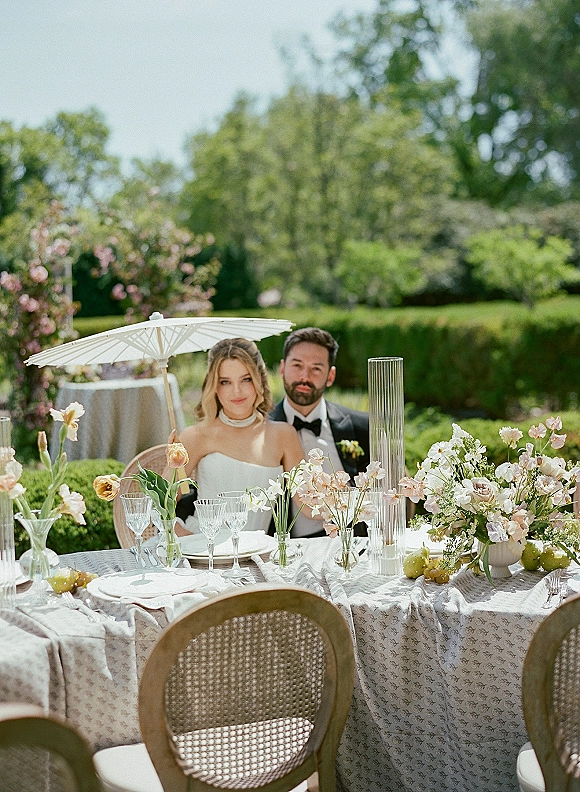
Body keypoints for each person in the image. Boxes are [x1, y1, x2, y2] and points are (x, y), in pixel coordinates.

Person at [176, 337, 306, 533]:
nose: (236, 391)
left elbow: (311, 505)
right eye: (225, 382)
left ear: (259, 379)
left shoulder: (283, 435)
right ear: (214, 386)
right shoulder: (195, 436)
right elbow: (159, 505)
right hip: (201, 552)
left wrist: (351, 497)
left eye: (245, 379)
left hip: (256, 555)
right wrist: (187, 539)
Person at [270, 326, 370, 537]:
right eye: (297, 365)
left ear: (330, 376)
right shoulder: (261, 429)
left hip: (352, 547)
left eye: (316, 368)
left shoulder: (363, 427)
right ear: (282, 368)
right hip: (285, 553)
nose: (304, 377)